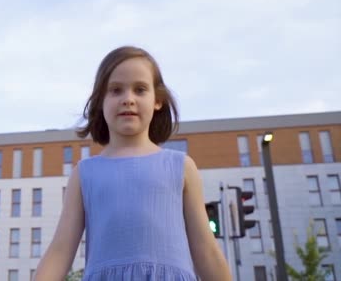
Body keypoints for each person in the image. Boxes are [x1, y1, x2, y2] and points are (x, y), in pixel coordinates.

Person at [34, 46, 232, 280]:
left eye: (140, 90)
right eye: (116, 90)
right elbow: (60, 250)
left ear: (157, 100)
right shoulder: (85, 173)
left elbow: (206, 251)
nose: (128, 99)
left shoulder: (181, 167)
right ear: (100, 102)